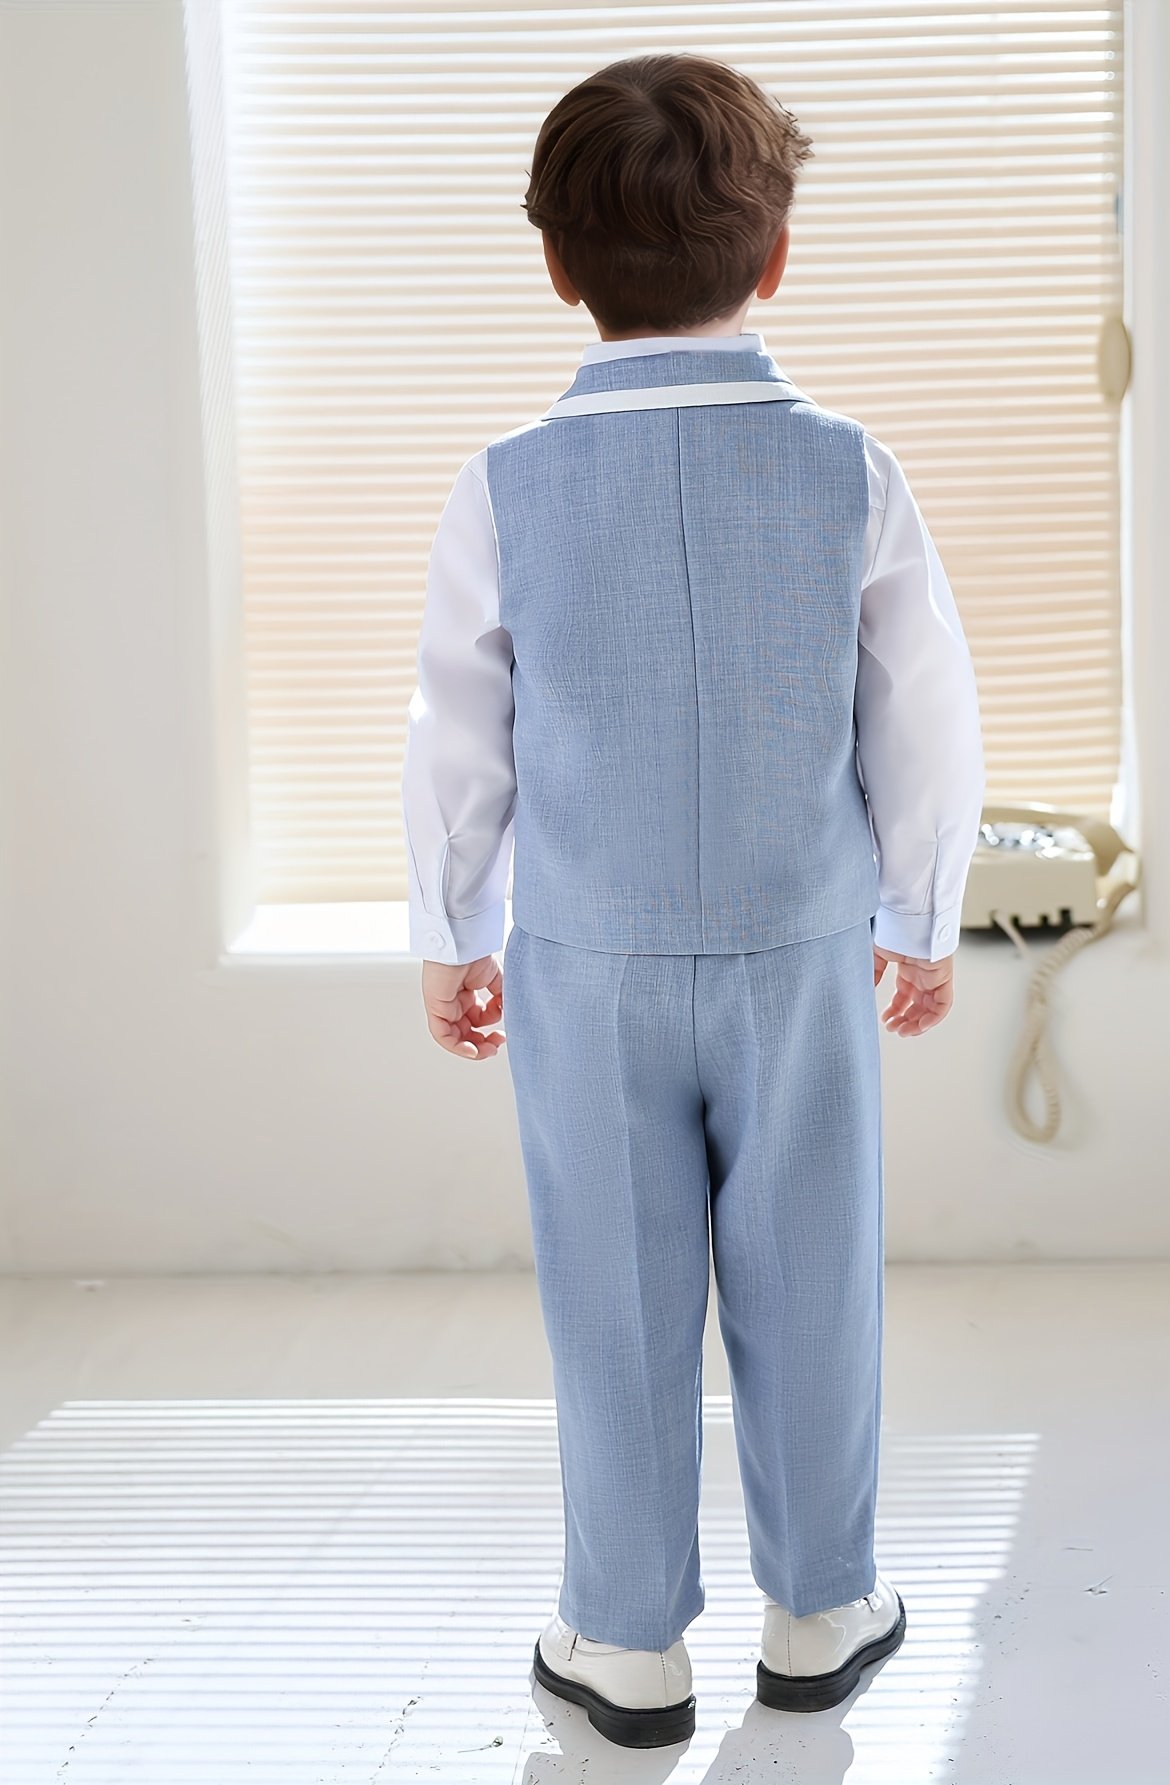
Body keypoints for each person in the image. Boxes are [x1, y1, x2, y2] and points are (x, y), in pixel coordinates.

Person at [401, 51, 985, 1751]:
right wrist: (922, 912)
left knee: (614, 1288)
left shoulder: (504, 484)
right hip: (801, 946)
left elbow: (457, 728)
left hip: (586, 957)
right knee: (813, 1275)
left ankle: (623, 1638)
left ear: (556, 266)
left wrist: (450, 930)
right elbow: (923, 713)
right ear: (776, 255)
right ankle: (822, 1610)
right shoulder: (850, 471)